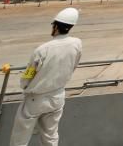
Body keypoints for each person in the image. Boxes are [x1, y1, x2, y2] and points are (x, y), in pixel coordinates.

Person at [9, 8, 83, 146]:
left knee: (20, 138)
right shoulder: (77, 43)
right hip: (58, 96)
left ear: (55, 26)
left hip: (36, 99)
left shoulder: (43, 49)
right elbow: (74, 65)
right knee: (51, 136)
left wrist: (25, 86)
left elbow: (29, 73)